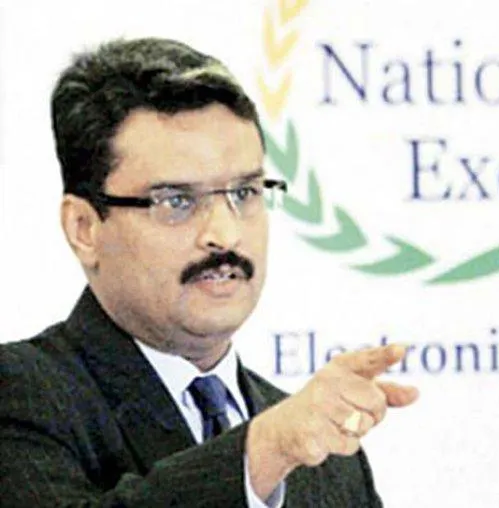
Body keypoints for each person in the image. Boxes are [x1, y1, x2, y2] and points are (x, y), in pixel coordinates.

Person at [0, 37, 419, 507]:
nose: (225, 234)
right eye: (176, 200)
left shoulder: (327, 457)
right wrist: (262, 453)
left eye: (244, 193)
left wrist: (275, 445)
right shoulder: (22, 395)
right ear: (84, 228)